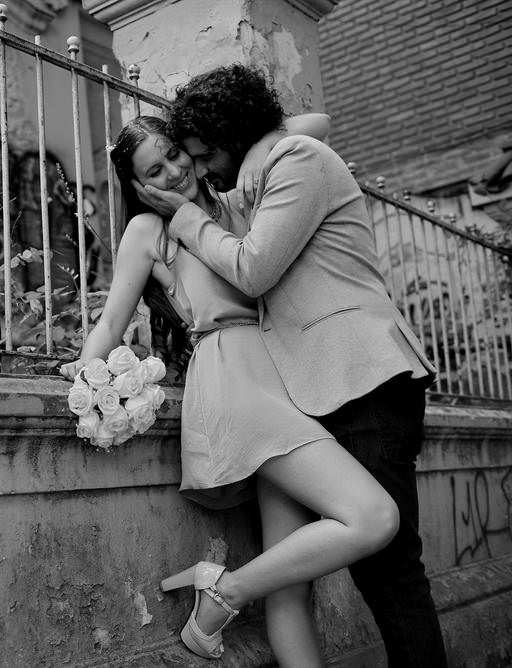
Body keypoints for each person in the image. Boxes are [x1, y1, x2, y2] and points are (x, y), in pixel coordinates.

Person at [61, 115, 402, 666]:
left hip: (289, 380)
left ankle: (223, 592)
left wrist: (207, 130)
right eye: (155, 169)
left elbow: (313, 125)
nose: (174, 171)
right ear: (137, 186)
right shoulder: (150, 231)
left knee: (291, 585)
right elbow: (110, 321)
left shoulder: (242, 199)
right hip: (237, 383)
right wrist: (87, 378)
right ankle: (227, 590)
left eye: (176, 152)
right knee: (373, 517)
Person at [141, 64, 446, 668]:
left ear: (234, 135)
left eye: (204, 155)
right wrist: (245, 151)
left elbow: (253, 269)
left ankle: (224, 592)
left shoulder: (296, 160)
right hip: (329, 390)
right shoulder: (265, 167)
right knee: (385, 576)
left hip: (362, 377)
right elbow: (306, 124)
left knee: (391, 576)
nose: (198, 172)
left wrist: (187, 215)